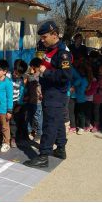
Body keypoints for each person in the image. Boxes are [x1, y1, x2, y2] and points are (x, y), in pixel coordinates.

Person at [23, 21, 73, 168]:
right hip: (49, 92)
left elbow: (65, 76)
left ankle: (44, 155)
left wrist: (46, 72)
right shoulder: (51, 50)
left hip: (55, 94)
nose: (42, 40)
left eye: (44, 37)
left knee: (49, 124)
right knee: (57, 122)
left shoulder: (63, 54)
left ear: (54, 35)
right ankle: (61, 149)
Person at [9, 59, 28, 147]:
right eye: (15, 72)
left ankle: (17, 137)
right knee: (11, 120)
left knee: (17, 120)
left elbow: (22, 89)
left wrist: (21, 102)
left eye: (18, 74)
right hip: (9, 102)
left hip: (17, 102)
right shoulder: (7, 77)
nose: (16, 75)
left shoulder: (21, 79)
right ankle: (11, 138)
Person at [25, 58, 43, 142]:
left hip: (37, 101)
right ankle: (30, 131)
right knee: (29, 116)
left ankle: (39, 133)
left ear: (34, 67)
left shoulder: (40, 75)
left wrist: (31, 74)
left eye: (31, 66)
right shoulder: (31, 75)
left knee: (37, 117)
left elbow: (33, 81)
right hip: (30, 100)